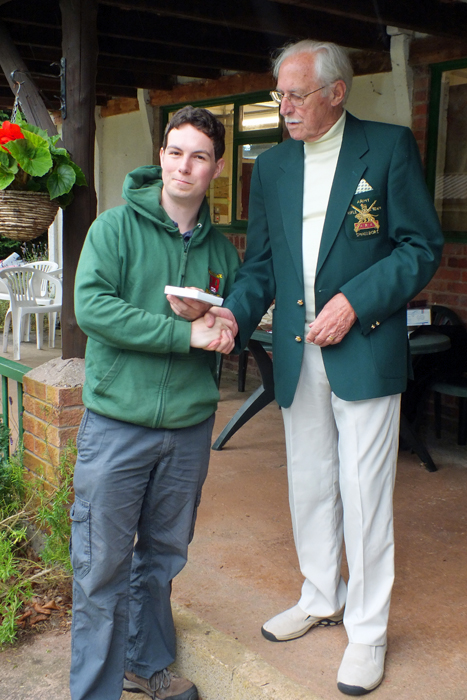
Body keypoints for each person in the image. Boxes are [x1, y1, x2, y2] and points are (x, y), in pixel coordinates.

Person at [174, 40, 444, 696]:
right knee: (311, 484)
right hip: (298, 351)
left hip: (365, 346)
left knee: (364, 494)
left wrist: (353, 302)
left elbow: (420, 247)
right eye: (278, 94)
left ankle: (368, 630)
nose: (283, 106)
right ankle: (321, 595)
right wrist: (233, 314)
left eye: (295, 94)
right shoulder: (270, 167)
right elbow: (262, 265)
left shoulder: (384, 148)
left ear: (336, 92)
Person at [70, 106, 240, 700]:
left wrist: (221, 324)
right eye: (174, 152)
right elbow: (92, 309)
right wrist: (183, 333)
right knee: (101, 568)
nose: (183, 166)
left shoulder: (223, 253)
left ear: (216, 168)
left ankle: (147, 663)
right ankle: (95, 692)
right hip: (118, 422)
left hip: (189, 428)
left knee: (163, 559)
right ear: (160, 156)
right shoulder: (114, 230)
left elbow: (224, 320)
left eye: (198, 156)